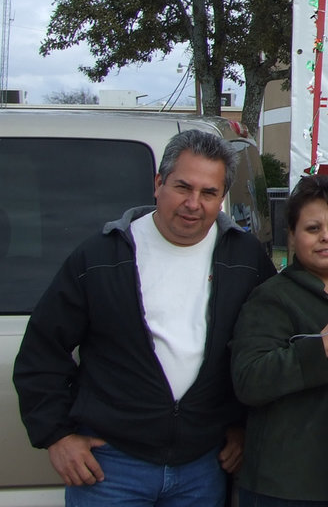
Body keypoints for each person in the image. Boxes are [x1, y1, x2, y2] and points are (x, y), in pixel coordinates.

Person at [13, 129, 276, 505]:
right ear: (158, 183)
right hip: (110, 467)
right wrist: (56, 436)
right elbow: (41, 352)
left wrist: (242, 426)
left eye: (208, 193)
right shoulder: (101, 257)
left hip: (203, 466)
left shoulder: (245, 259)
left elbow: (262, 352)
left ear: (221, 198)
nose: (193, 203)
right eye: (182, 187)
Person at [230, 175, 328, 506]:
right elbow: (250, 380)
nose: (326, 237)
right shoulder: (272, 298)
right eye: (313, 229)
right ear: (292, 236)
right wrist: (325, 342)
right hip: (287, 484)